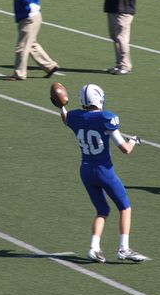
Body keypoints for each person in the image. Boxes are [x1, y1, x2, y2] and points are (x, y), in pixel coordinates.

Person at [57, 84, 147, 263]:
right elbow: (124, 149)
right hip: (103, 170)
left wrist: (60, 105)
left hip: (85, 170)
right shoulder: (106, 118)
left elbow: (66, 118)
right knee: (125, 207)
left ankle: (94, 248)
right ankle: (124, 248)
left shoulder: (75, 116)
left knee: (102, 210)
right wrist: (133, 141)